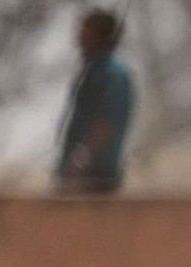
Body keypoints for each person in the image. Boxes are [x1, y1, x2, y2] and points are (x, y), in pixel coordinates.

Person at [58, 10, 137, 195]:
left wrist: (80, 161)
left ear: (98, 36)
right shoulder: (92, 70)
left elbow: (107, 124)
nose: (78, 37)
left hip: (96, 176)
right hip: (81, 173)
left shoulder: (113, 74)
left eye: (85, 32)